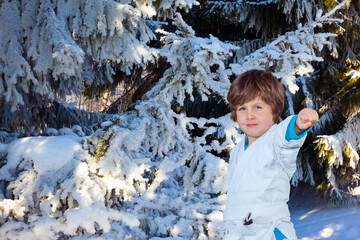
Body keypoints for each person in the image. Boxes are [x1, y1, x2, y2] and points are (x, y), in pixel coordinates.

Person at [223, 69, 319, 240]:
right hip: (240, 231)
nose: (249, 115)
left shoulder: (274, 141)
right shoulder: (238, 149)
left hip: (270, 230)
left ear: (275, 112)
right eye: (242, 108)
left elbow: (287, 135)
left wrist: (299, 123)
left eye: (257, 107)